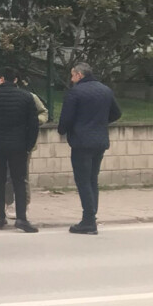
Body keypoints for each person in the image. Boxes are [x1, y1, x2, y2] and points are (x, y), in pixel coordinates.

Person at [57, 62, 122, 235]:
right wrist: (99, 124)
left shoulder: (75, 92)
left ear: (79, 75)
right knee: (93, 178)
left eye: (72, 75)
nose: (71, 79)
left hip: (81, 141)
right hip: (100, 140)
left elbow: (66, 119)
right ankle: (92, 215)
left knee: (83, 180)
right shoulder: (105, 90)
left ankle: (88, 220)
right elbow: (117, 113)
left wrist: (63, 130)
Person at [0, 67, 40, 233]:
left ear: (2, 79)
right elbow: (33, 124)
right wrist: (29, 144)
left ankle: (0, 217)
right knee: (19, 181)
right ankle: (21, 218)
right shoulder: (27, 97)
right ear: (16, 80)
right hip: (19, 145)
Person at [3, 75, 48, 207]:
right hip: (7, 140)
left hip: (25, 142)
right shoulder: (4, 97)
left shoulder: (31, 97)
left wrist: (34, 121)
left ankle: (24, 203)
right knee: (7, 175)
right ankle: (9, 202)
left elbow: (44, 113)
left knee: (22, 174)